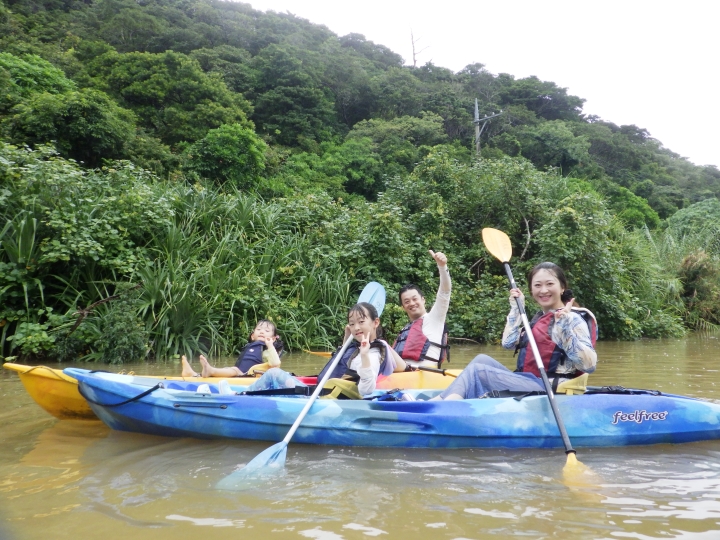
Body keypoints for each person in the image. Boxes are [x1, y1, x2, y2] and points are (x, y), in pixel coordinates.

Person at [432, 262, 597, 401]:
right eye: (537, 285)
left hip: (552, 388)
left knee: (478, 372)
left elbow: (589, 365)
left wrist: (565, 326)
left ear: (562, 288)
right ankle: (439, 400)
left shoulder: (573, 319)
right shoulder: (539, 319)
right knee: (481, 360)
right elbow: (509, 343)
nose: (543, 290)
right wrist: (517, 309)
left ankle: (444, 406)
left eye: (549, 284)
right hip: (530, 381)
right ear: (532, 290)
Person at [244, 302, 407, 398]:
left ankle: (239, 398)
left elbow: (366, 389)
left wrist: (364, 356)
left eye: (361, 322)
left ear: (375, 322)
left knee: (274, 374)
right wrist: (346, 339)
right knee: (279, 377)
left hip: (326, 399)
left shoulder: (372, 352)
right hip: (324, 393)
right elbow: (341, 364)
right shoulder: (359, 346)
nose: (356, 328)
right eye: (351, 323)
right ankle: (244, 395)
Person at [393, 250, 451, 369]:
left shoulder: (435, 318)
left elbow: (445, 292)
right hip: (400, 374)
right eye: (407, 301)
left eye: (415, 299)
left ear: (423, 300)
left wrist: (442, 267)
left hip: (425, 375)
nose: (412, 303)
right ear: (403, 307)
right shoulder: (405, 330)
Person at [181, 320, 283, 378]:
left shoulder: (267, 350)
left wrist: (270, 345)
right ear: (252, 336)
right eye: (259, 329)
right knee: (229, 369)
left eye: (266, 330)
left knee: (234, 370)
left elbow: (275, 364)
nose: (262, 332)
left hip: (249, 376)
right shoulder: (250, 346)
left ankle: (210, 371)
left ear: (274, 338)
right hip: (241, 373)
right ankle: (192, 374)